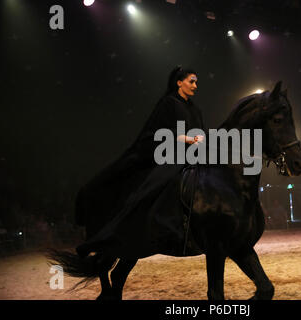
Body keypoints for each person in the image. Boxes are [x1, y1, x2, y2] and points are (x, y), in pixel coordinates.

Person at [75, 66, 205, 259]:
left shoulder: (194, 108)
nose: (195, 85)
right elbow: (161, 133)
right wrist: (189, 139)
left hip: (193, 154)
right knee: (161, 183)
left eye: (196, 81)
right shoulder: (168, 103)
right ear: (179, 82)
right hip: (169, 153)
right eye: (191, 81)